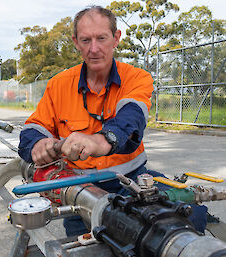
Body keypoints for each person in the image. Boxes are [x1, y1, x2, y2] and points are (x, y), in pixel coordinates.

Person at [18, 5, 207, 236]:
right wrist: (37, 144)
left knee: (181, 222)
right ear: (75, 41)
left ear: (116, 38)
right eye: (86, 40)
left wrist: (100, 141)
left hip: (131, 183)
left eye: (101, 38)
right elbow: (33, 128)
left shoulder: (137, 78)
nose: (94, 49)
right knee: (84, 248)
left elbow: (131, 118)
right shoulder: (58, 84)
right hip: (80, 191)